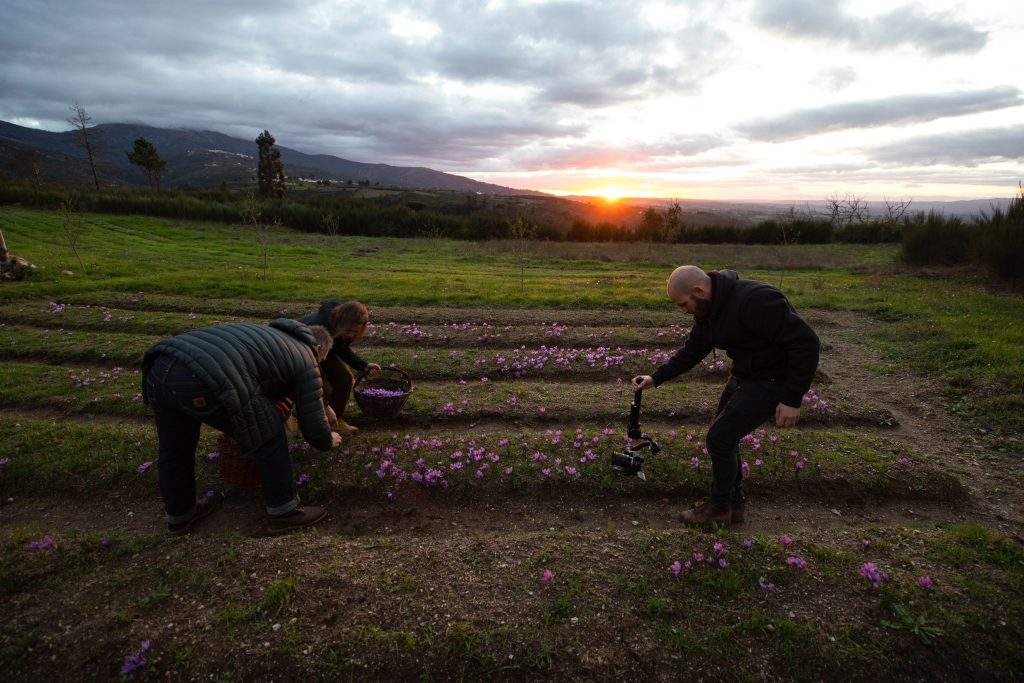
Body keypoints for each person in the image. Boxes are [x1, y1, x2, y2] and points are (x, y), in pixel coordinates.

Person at [633, 265, 820, 526]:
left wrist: (792, 398)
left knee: (720, 438)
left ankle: (720, 508)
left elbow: (806, 343)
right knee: (724, 437)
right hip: (745, 375)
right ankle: (734, 503)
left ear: (698, 290)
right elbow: (692, 351)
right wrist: (656, 377)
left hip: (773, 379)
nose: (684, 310)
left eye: (683, 304)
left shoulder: (756, 300)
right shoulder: (708, 312)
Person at [142, 318, 342, 535]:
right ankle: (284, 510)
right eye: (322, 360)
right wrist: (327, 439)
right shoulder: (305, 355)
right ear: (319, 350)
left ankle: (180, 516)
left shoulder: (270, 336)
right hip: (203, 376)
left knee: (176, 448)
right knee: (268, 432)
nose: (319, 365)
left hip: (160, 366)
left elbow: (255, 375)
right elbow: (312, 424)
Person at [299, 300, 381, 434]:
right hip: (305, 351)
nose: (350, 335)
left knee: (345, 379)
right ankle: (316, 423)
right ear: (341, 321)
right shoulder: (320, 327)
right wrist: (325, 403)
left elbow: (341, 349)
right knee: (322, 387)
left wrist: (363, 365)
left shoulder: (344, 328)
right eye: (348, 331)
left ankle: (335, 420)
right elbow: (310, 371)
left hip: (325, 351)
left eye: (355, 332)